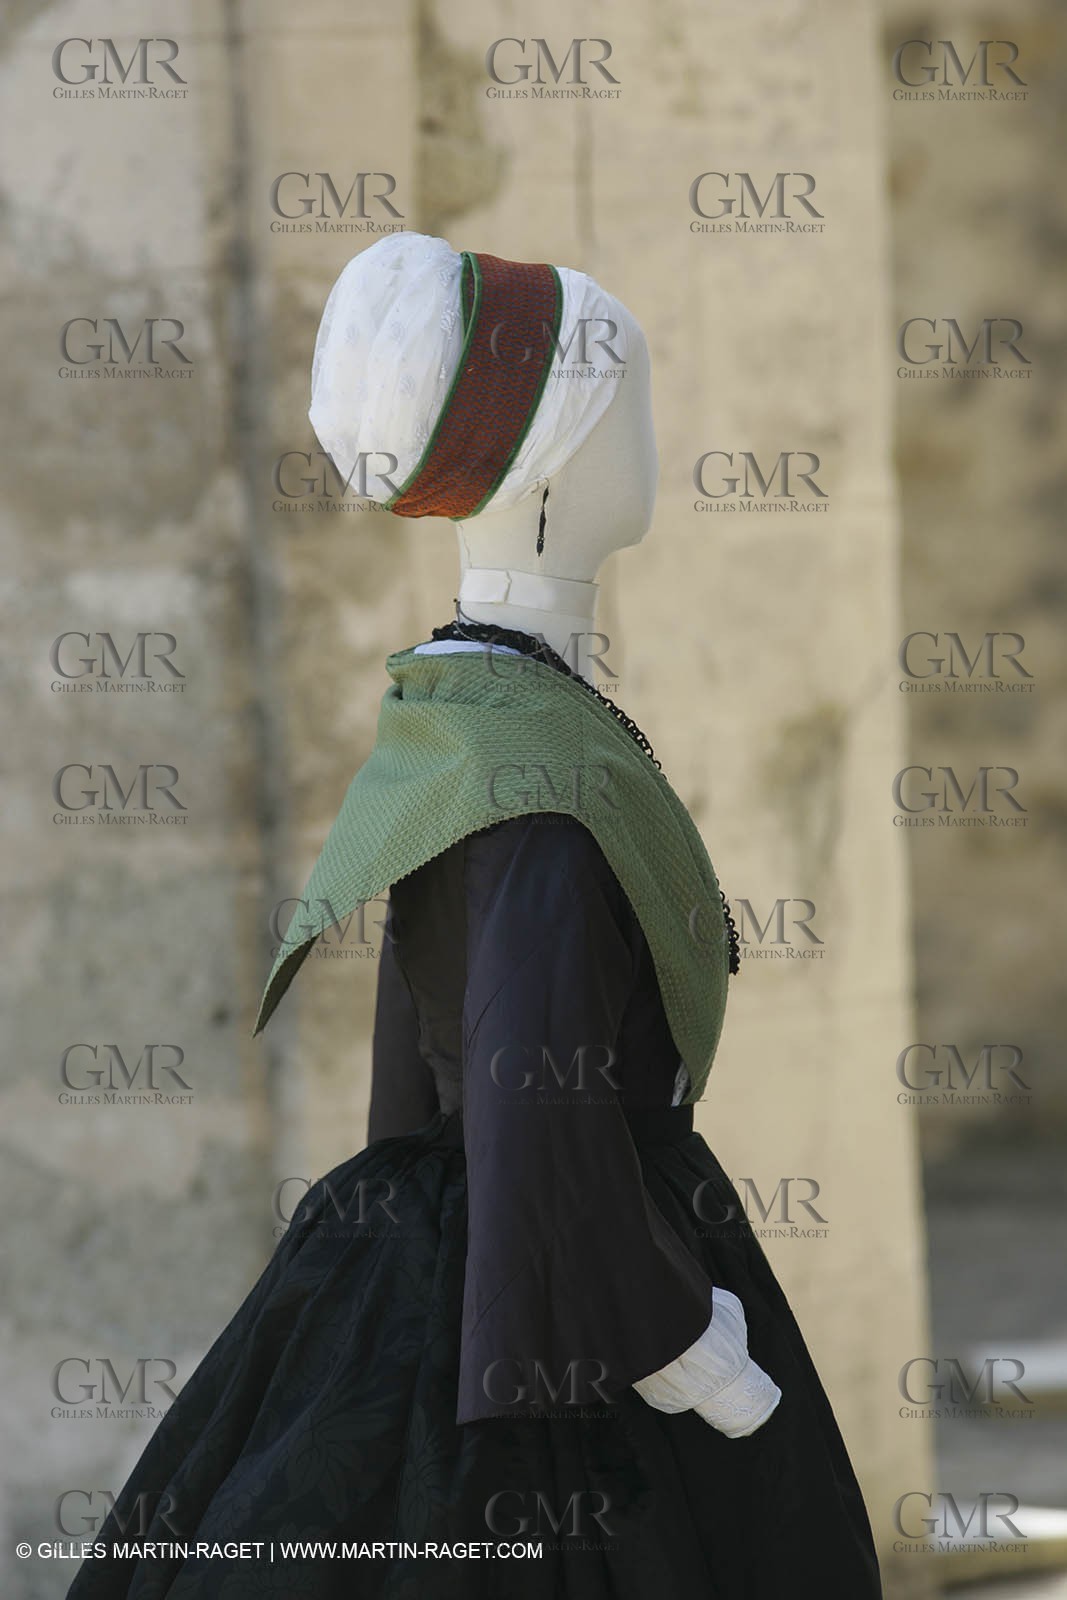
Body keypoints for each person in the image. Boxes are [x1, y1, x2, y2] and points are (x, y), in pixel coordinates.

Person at [67, 235, 882, 1599]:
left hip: (478, 1251)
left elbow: (424, 1062)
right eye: (632, 408)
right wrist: (697, 1355)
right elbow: (532, 1121)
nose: (655, 444)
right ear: (552, 476)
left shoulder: (458, 724)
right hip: (572, 1295)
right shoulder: (532, 782)